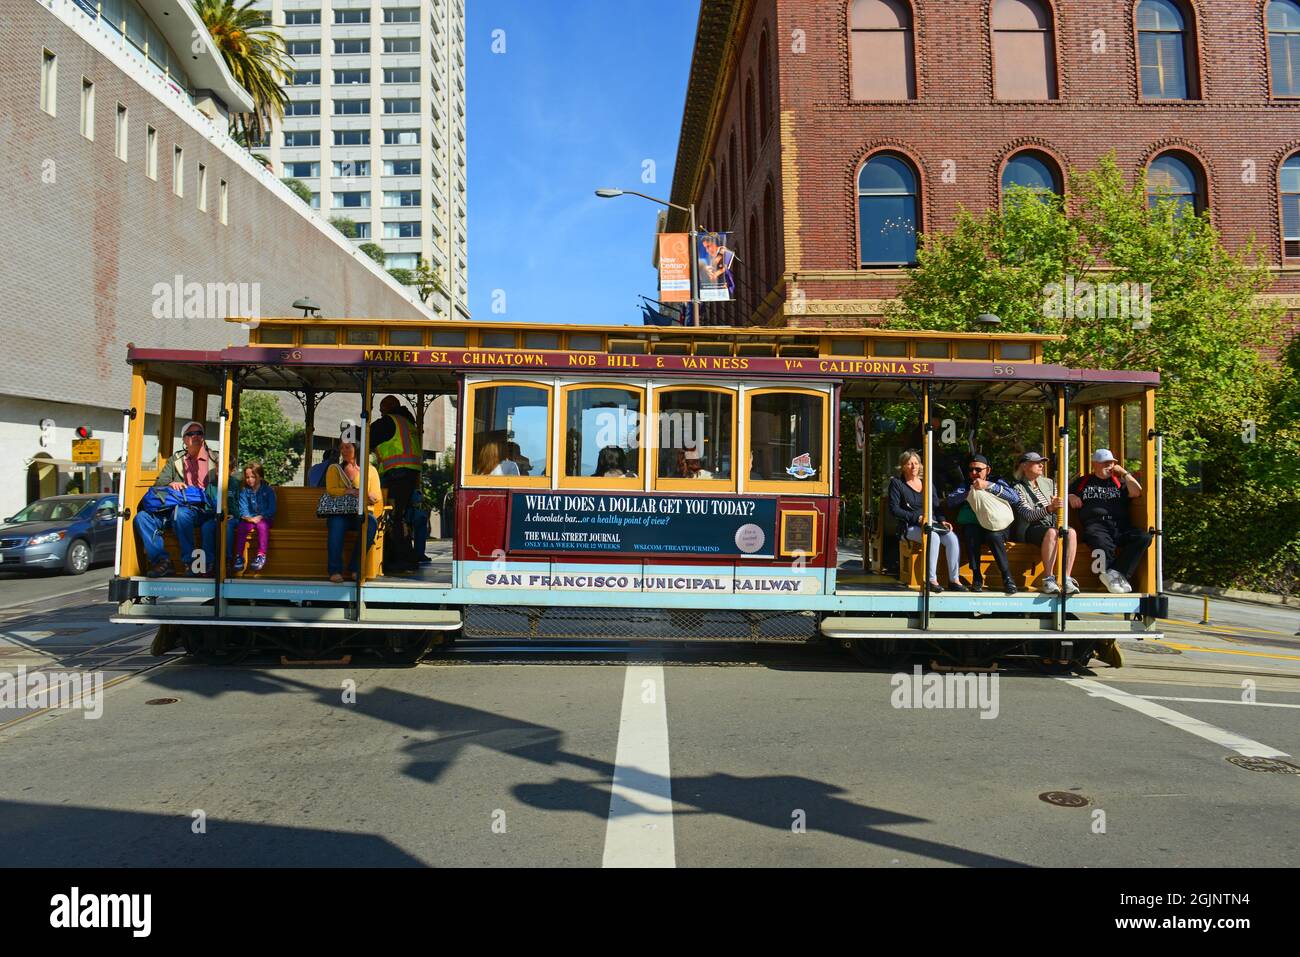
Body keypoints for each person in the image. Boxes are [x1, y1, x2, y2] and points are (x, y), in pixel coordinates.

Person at [135, 420, 217, 578]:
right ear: (184, 440)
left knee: (181, 514)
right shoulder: (176, 459)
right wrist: (172, 483)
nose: (195, 436)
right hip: (173, 507)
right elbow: (160, 483)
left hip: (201, 509)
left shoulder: (215, 459)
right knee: (142, 518)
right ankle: (163, 561)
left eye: (199, 433)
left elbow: (229, 482)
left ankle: (190, 563)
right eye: (191, 434)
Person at [1069, 449, 1152, 593]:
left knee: (1144, 537)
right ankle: (1112, 576)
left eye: (1112, 463)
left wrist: (1125, 473)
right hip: (1096, 525)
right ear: (1095, 464)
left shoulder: (1119, 482)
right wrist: (1070, 495)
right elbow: (1062, 492)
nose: (1110, 466)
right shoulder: (1082, 481)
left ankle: (1115, 573)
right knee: (1100, 542)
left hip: (1119, 525)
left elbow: (1136, 492)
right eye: (1106, 463)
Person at [888, 450, 964, 593]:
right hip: (909, 527)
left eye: (916, 463)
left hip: (931, 524)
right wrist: (916, 518)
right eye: (909, 463)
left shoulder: (928, 483)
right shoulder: (897, 484)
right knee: (932, 537)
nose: (913, 466)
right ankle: (931, 580)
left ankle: (954, 580)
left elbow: (936, 506)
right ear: (903, 466)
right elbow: (894, 510)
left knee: (952, 539)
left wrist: (942, 521)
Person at [944, 454, 1021, 594]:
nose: (974, 473)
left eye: (978, 470)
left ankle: (1007, 577)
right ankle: (977, 577)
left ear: (988, 470)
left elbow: (1014, 498)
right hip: (976, 526)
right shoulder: (966, 484)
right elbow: (951, 500)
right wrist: (970, 492)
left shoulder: (997, 481)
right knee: (970, 532)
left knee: (994, 536)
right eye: (971, 470)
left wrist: (989, 486)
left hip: (998, 527)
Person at [1010, 452, 1080, 595]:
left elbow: (1057, 506)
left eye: (1042, 462)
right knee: (1052, 532)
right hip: (1030, 528)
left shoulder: (1050, 483)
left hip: (1051, 524)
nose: (1041, 465)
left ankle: (1066, 578)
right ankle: (1048, 579)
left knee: (1071, 532)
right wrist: (1049, 508)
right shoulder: (1017, 488)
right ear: (1024, 466)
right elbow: (1028, 515)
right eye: (1037, 462)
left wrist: (1064, 499)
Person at [369, 396, 422, 573]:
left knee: (393, 517)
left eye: (382, 410)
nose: (381, 413)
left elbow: (368, 437)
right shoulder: (408, 423)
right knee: (402, 517)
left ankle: (402, 560)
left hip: (396, 475)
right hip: (410, 476)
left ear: (388, 408)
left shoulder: (389, 422)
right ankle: (407, 557)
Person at [324, 441, 383, 583]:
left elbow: (377, 496)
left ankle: (356, 568)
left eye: (347, 447)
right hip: (340, 513)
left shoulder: (370, 470)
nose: (343, 450)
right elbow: (331, 490)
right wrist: (350, 491)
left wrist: (367, 495)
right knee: (336, 525)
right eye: (341, 447)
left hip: (361, 512)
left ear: (356, 448)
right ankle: (335, 571)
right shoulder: (334, 468)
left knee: (371, 524)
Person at [231, 463, 277, 573]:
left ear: (260, 477)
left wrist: (261, 516)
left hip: (265, 518)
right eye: (247, 477)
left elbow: (272, 509)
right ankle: (239, 556)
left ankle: (261, 555)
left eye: (253, 477)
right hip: (250, 519)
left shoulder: (268, 490)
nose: (250, 480)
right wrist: (250, 519)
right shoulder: (244, 491)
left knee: (262, 525)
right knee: (242, 527)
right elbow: (243, 508)